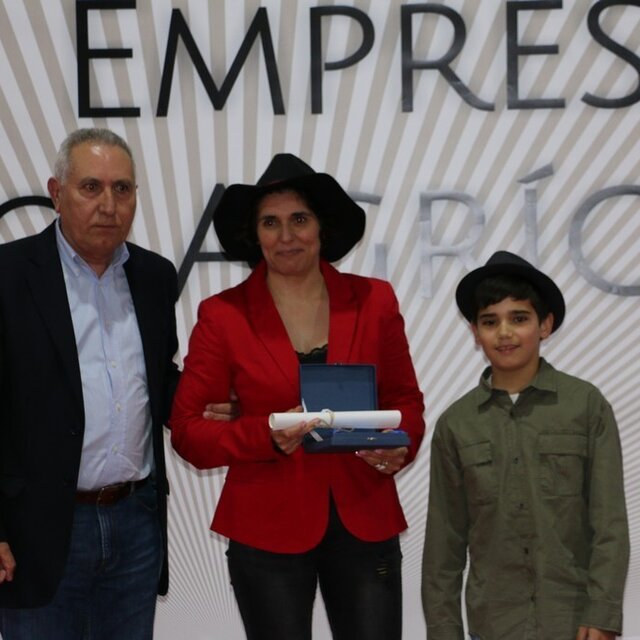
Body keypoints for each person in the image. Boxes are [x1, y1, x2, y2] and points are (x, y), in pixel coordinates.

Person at [170, 153, 426, 640]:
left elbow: (406, 400)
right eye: (270, 222)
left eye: (299, 219)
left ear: (322, 227)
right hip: (265, 527)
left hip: (365, 516)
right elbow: (187, 431)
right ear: (255, 235)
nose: (286, 235)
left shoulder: (375, 300)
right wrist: (265, 432)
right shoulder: (222, 315)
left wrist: (401, 443)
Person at [0, 128, 231, 640]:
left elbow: (157, 379)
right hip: (36, 529)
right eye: (91, 187)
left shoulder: (153, 276)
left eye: (122, 189)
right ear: (56, 193)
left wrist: (214, 403)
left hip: (135, 521)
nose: (109, 205)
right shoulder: (9, 274)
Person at [421, 251, 630, 640]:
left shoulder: (585, 406)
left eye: (519, 318)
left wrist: (602, 613)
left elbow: (609, 524)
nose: (504, 333)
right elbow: (443, 545)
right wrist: (444, 630)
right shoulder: (456, 424)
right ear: (475, 332)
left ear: (545, 325)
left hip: (572, 623)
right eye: (490, 321)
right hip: (492, 624)